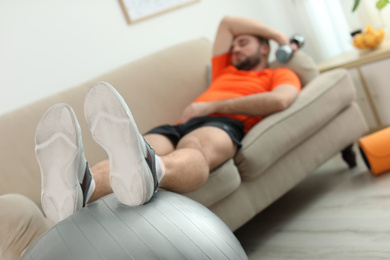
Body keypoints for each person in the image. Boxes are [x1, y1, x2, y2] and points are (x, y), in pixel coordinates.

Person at [34, 15, 301, 225]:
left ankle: (152, 171)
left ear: (265, 48)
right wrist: (279, 36)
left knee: (195, 148)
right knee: (133, 150)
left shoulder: (277, 75)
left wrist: (210, 106)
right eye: (234, 45)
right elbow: (227, 23)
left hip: (223, 123)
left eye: (243, 43)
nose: (235, 49)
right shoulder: (225, 69)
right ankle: (82, 187)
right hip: (177, 126)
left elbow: (280, 100)